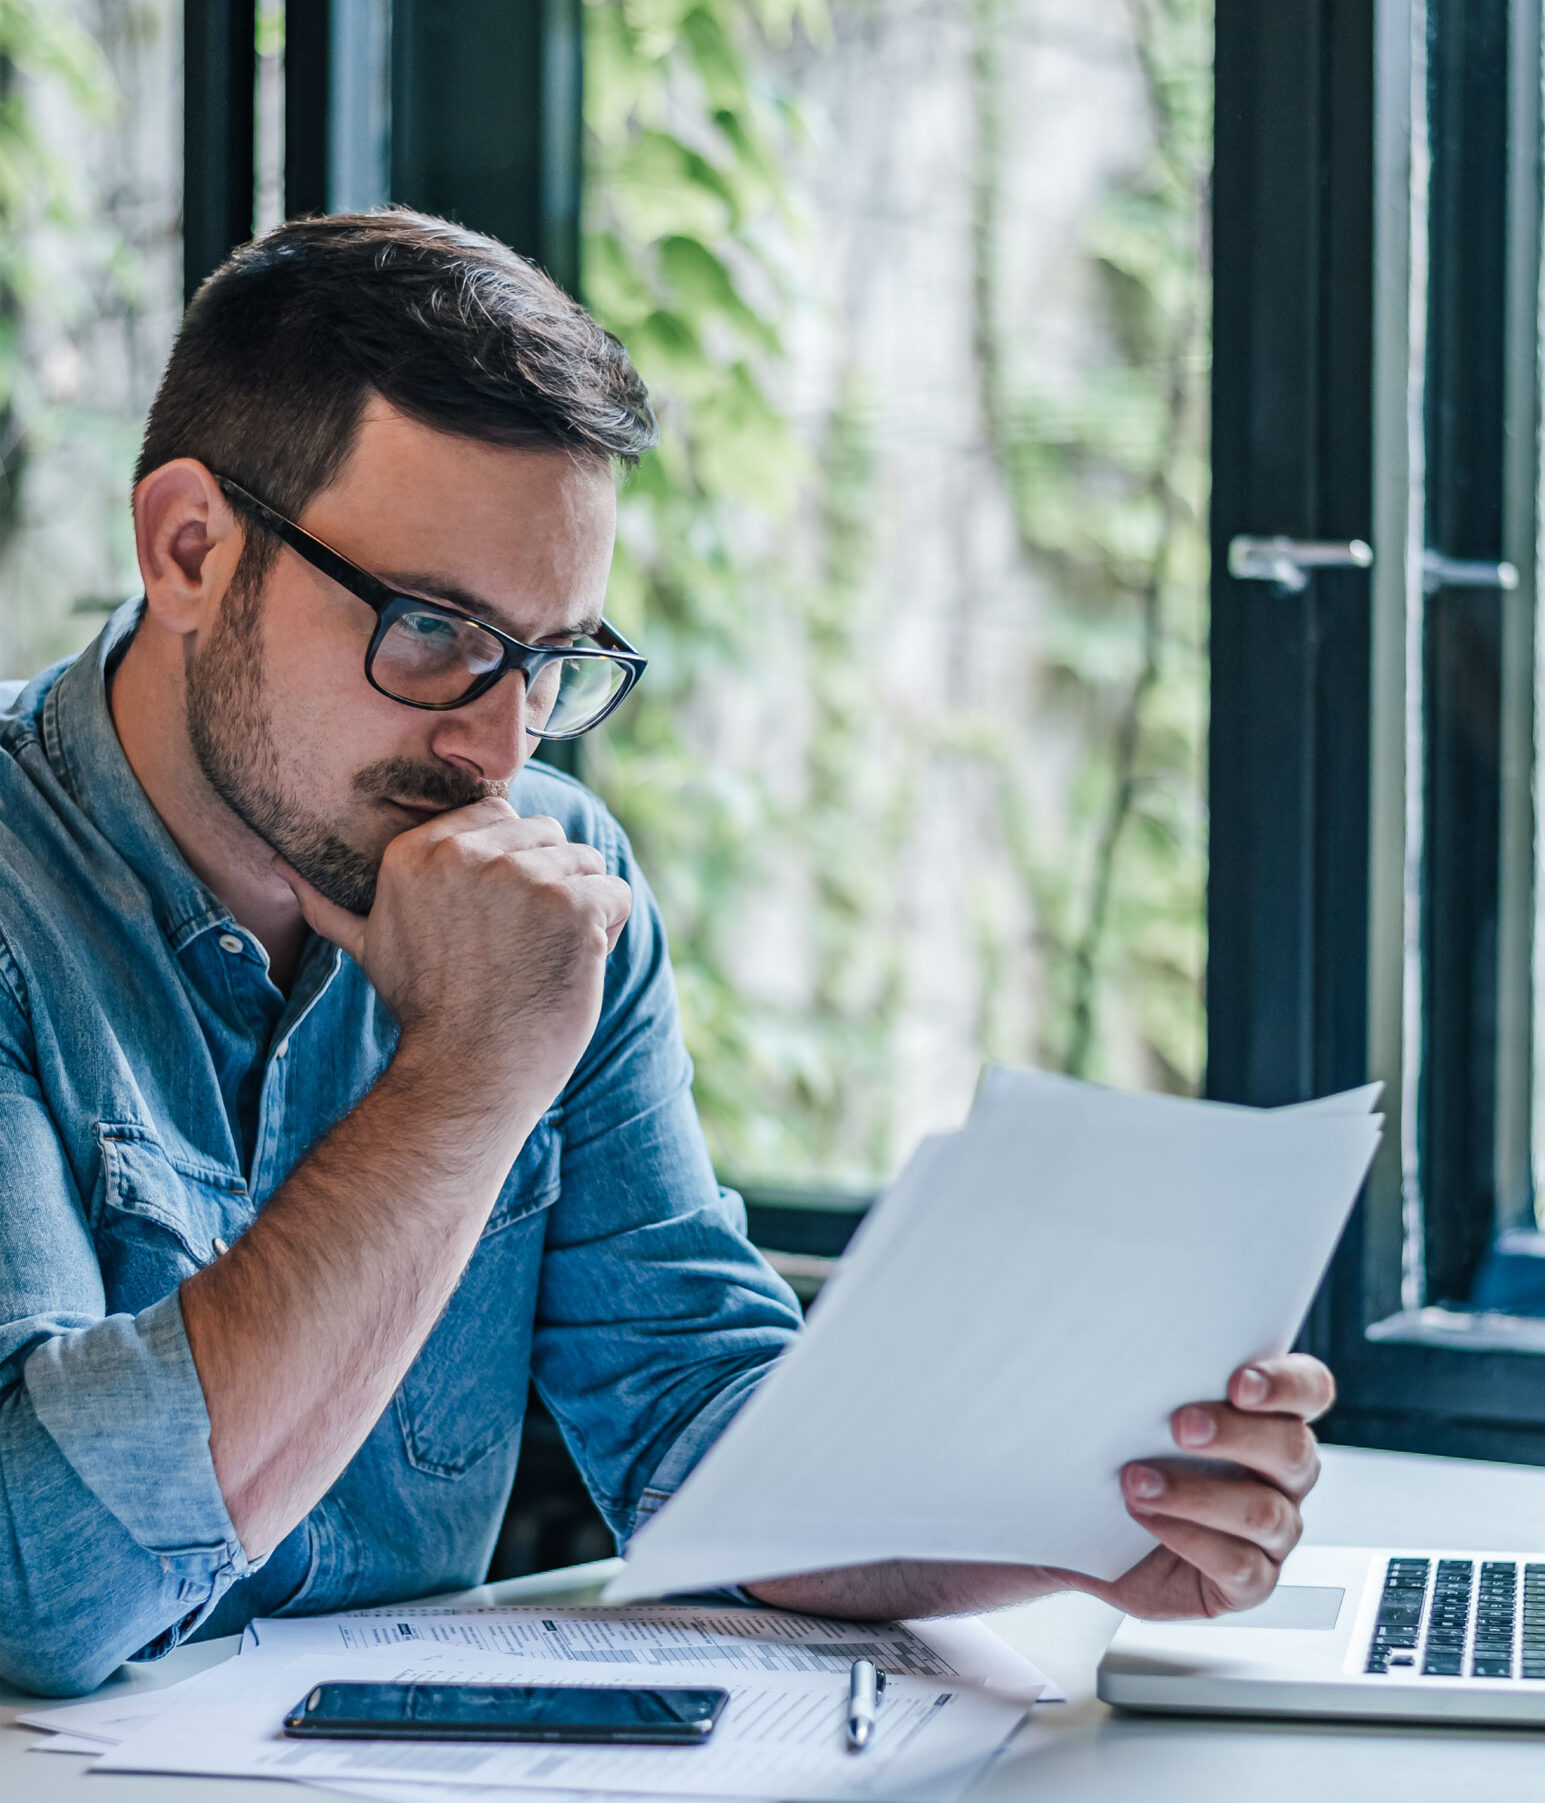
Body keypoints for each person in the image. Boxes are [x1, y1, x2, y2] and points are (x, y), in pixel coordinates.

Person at [0, 211, 1336, 1696]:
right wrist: (466, 1080)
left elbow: (704, 1436)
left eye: (551, 660)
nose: (497, 745)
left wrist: (1081, 1517)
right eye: (433, 631)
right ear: (190, 547)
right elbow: (41, 1584)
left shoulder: (554, 890)